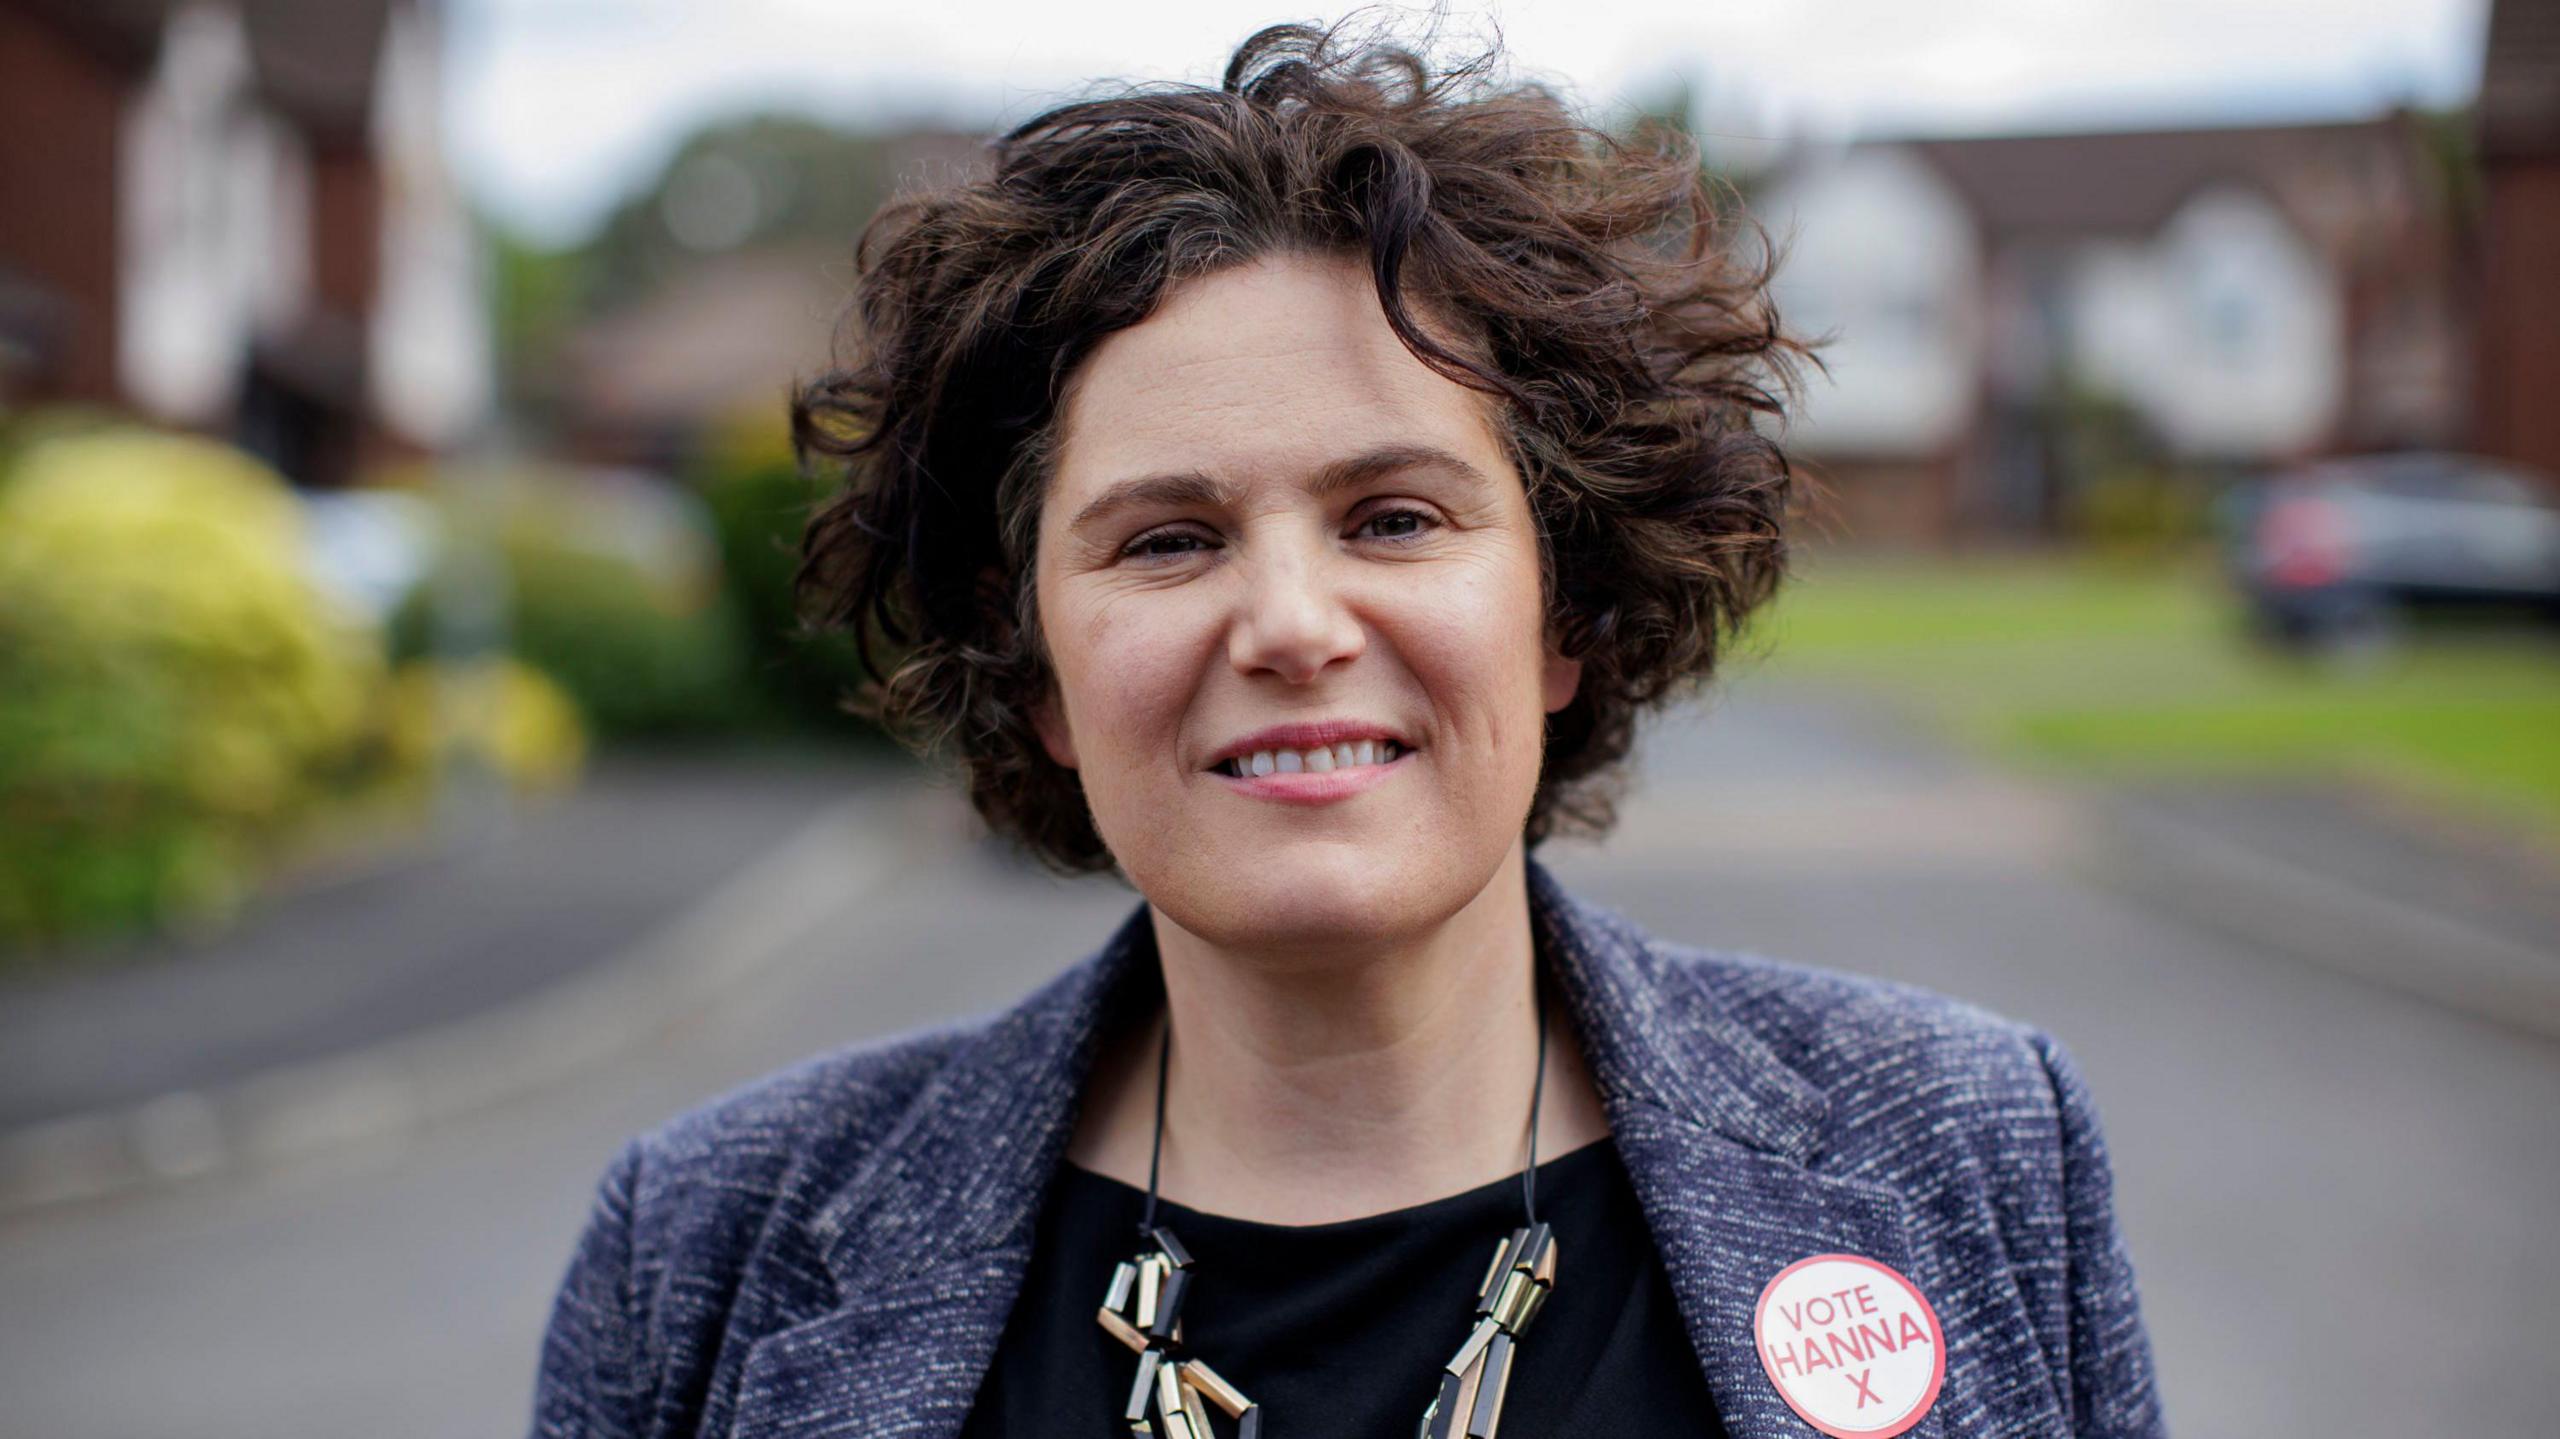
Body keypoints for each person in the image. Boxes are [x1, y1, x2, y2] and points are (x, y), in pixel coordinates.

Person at [530, 20, 2165, 1439]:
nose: (1295, 625)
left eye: (1392, 517)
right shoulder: (708, 1246)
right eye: (1167, 539)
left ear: (1566, 615)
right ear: (1033, 667)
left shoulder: (1971, 1150)